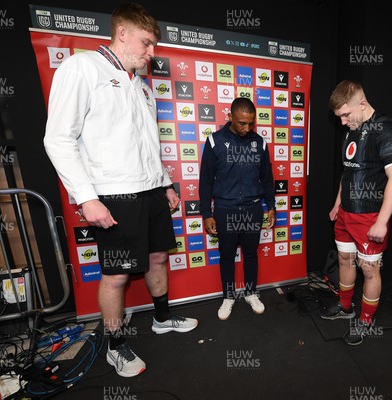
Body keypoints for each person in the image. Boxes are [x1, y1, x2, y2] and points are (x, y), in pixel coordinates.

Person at [43, 2, 197, 377]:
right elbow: (58, 139)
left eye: (154, 46)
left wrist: (165, 184)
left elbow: (147, 144)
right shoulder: (82, 68)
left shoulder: (142, 87)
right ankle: (116, 345)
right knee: (116, 275)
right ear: (122, 33)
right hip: (114, 195)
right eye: (146, 44)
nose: (151, 53)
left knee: (159, 258)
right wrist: (87, 197)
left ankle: (161, 318)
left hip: (151, 192)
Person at [320, 80, 392, 346]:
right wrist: (338, 203)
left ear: (363, 103)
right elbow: (348, 171)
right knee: (345, 261)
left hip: (370, 217)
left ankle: (366, 319)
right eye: (339, 117)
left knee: (369, 270)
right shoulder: (351, 130)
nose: (343, 122)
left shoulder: (387, 128)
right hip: (346, 213)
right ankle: (346, 308)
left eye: (346, 115)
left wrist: (382, 221)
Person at [199, 98, 276, 320]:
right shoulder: (214, 141)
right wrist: (206, 213)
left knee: (251, 254)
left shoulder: (259, 143)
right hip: (225, 209)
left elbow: (267, 179)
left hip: (253, 209)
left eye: (250, 123)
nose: (246, 128)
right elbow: (206, 181)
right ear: (230, 117)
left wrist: (271, 206)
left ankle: (251, 292)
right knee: (227, 255)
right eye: (242, 123)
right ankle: (229, 296)